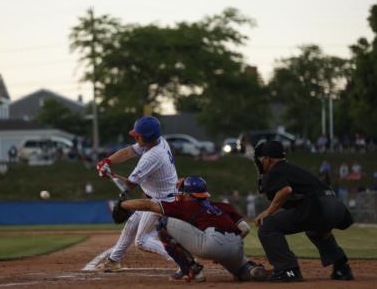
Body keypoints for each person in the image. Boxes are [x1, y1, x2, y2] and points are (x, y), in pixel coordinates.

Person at [119, 176, 267, 282]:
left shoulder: (187, 206)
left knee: (163, 224)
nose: (180, 194)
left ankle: (192, 270)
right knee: (241, 271)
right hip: (236, 246)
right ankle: (252, 270)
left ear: (189, 194)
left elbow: (149, 205)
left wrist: (122, 205)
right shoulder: (222, 206)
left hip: (212, 244)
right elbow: (245, 228)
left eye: (182, 192)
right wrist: (227, 245)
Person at [253, 140, 354, 282]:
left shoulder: (274, 171)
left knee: (267, 226)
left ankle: (287, 270)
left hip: (319, 206)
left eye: (262, 159)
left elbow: (286, 190)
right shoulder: (293, 169)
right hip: (337, 206)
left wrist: (268, 212)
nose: (261, 162)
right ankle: (342, 269)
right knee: (316, 230)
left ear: (268, 159)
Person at [95, 116, 178, 272]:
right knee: (132, 224)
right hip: (158, 196)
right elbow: (129, 151)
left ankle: (184, 258)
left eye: (137, 135)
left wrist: (110, 175)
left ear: (146, 137)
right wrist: (107, 161)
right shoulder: (156, 141)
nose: (135, 136)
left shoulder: (152, 156)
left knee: (142, 241)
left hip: (162, 201)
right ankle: (113, 261)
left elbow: (129, 185)